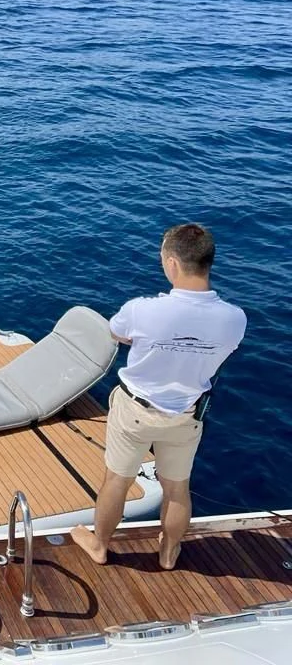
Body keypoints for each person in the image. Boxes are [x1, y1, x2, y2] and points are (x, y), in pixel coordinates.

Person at [71, 223, 246, 570]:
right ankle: (168, 553)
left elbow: (116, 332)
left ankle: (99, 546)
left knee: (117, 481)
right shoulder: (235, 318)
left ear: (173, 265)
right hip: (185, 416)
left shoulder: (142, 310)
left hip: (135, 411)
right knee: (177, 488)